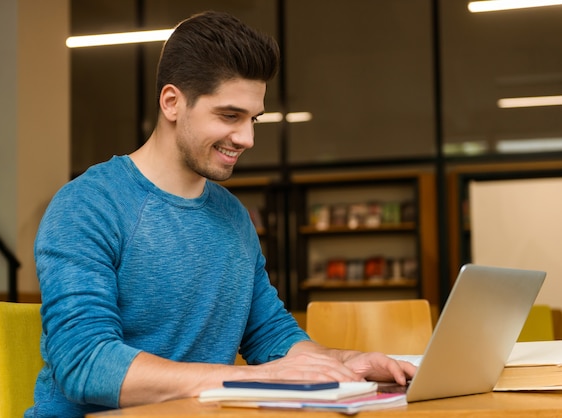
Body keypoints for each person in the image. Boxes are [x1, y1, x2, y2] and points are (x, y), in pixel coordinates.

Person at [27, 10, 416, 417]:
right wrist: (257, 378)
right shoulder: (88, 205)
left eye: (253, 119)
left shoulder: (233, 216)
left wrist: (340, 363)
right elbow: (85, 364)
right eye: (229, 116)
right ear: (172, 103)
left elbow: (269, 333)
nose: (247, 138)